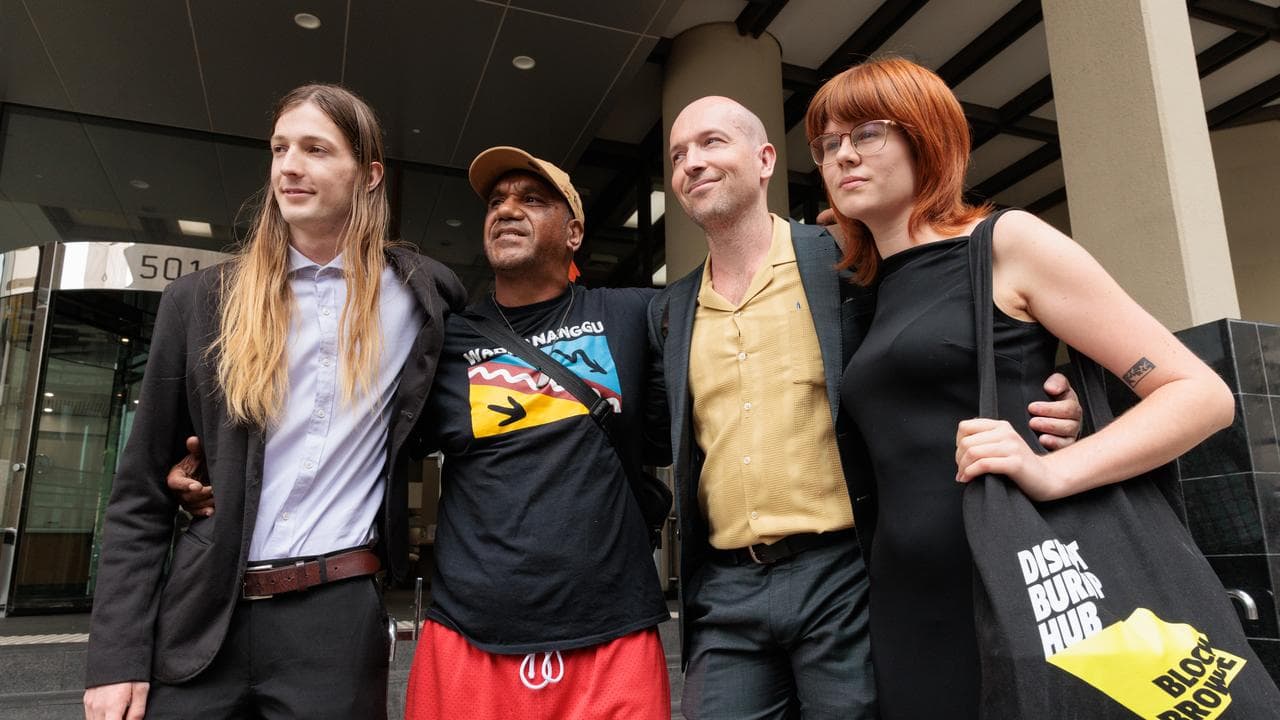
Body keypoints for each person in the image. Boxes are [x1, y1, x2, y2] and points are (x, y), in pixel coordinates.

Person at [169, 147, 674, 718]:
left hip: (613, 634)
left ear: (575, 232)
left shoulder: (634, 315)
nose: (507, 209)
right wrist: (217, 465)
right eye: (496, 201)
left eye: (532, 200)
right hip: (469, 638)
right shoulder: (441, 340)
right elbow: (342, 424)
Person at [803, 57, 1234, 719]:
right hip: (907, 603)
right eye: (828, 143)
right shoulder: (863, 292)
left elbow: (1198, 393)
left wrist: (1056, 469)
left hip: (1028, 587)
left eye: (865, 133)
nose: (842, 155)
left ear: (926, 136)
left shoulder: (1006, 242)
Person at [649, 95, 1084, 719]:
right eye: (678, 154)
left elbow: (938, 344)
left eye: (713, 142)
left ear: (766, 159)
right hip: (726, 589)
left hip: (845, 572)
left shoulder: (849, 261)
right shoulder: (671, 309)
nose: (692, 162)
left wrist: (1050, 403)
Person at [83, 84, 465, 720]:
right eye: (280, 148)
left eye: (316, 149)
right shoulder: (201, 302)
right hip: (203, 614)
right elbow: (141, 493)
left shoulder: (424, 296)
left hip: (335, 620)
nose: (289, 166)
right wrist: (117, 658)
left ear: (368, 175)